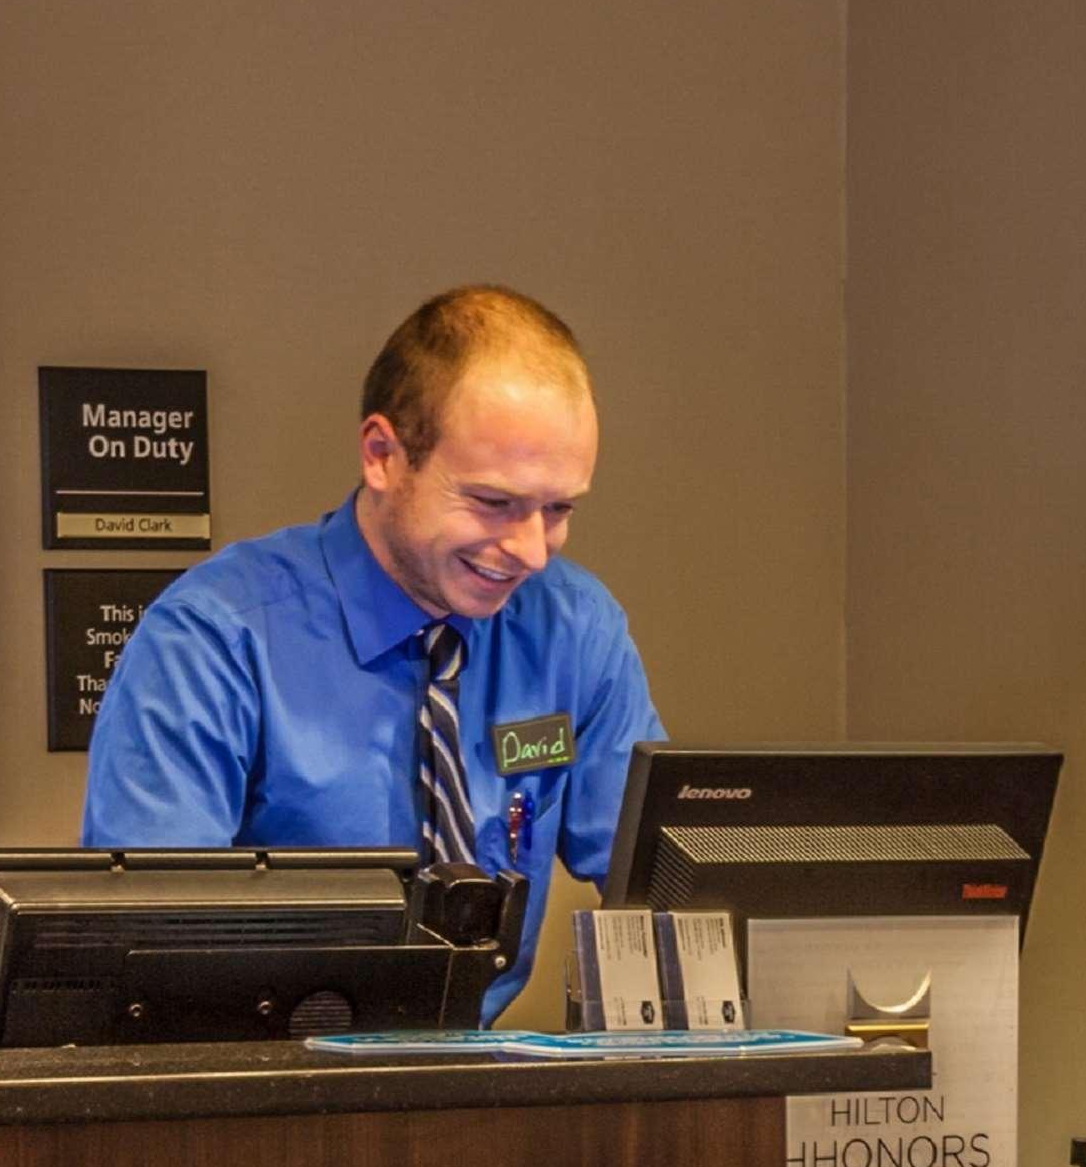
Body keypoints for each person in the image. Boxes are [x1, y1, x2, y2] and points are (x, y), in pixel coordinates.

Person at [81, 285, 664, 1016]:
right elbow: (152, 945)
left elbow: (668, 887)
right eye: (493, 503)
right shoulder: (214, 637)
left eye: (558, 510)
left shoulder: (574, 632)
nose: (530, 551)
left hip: (475, 1087)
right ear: (383, 455)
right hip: (264, 1084)